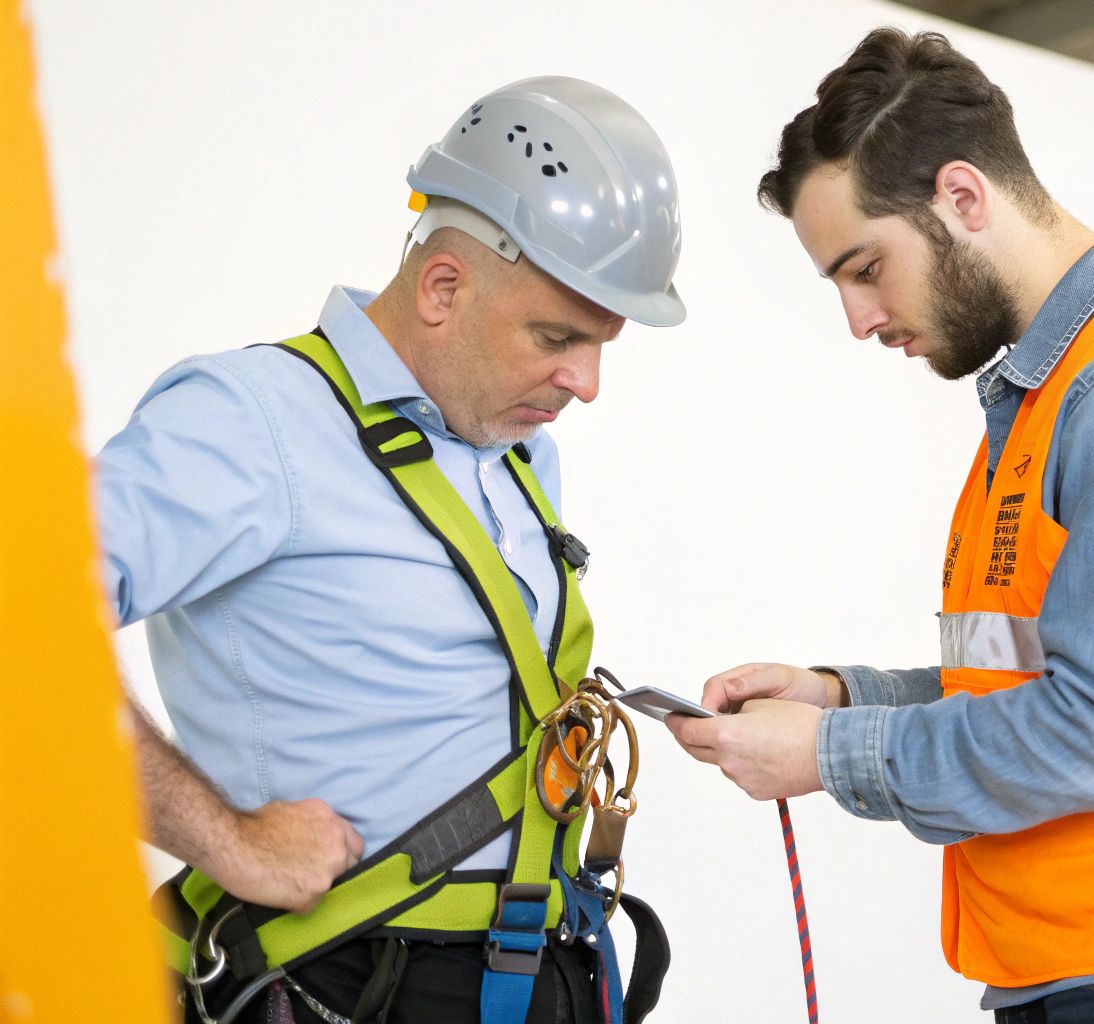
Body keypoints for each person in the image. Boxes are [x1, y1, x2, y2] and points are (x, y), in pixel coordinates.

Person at [667, 28, 1094, 1023]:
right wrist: (835, 695)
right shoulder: (1052, 396)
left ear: (961, 197)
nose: (859, 319)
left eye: (864, 268)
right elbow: (1042, 680)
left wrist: (828, 751)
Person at [101, 76, 683, 1024]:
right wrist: (229, 842)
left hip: (539, 968)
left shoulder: (519, 449)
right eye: (557, 336)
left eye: (603, 343)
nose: (585, 381)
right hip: (342, 983)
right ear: (442, 286)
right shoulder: (253, 420)